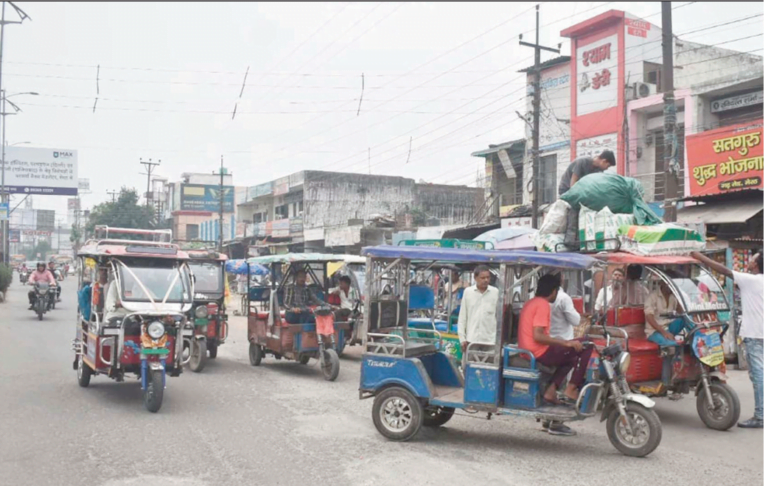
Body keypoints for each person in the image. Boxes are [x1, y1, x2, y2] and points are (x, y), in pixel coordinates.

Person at [693, 250, 764, 429]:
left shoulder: (751, 280)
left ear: (756, 264)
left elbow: (724, 271)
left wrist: (700, 257)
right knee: (759, 375)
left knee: (758, 376)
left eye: (753, 259)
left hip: (755, 335)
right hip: (760, 334)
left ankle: (761, 415)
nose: (750, 261)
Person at [518, 274, 593, 436]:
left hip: (529, 350)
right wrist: (565, 343)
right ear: (553, 291)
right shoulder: (543, 305)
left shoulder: (531, 302)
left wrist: (565, 343)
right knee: (587, 345)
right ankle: (571, 389)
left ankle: (551, 391)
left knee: (573, 356)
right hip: (537, 351)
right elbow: (538, 336)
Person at [458, 265, 498, 354]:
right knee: (469, 362)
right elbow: (462, 317)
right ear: (475, 278)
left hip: (490, 341)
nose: (486, 280)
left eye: (488, 277)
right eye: (482, 278)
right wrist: (462, 339)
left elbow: (498, 317)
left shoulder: (495, 292)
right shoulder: (468, 292)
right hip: (472, 340)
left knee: (489, 363)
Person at [550, 273, 581, 341]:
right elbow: (575, 321)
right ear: (562, 280)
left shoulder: (543, 297)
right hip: (564, 341)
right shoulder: (563, 298)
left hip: (548, 340)